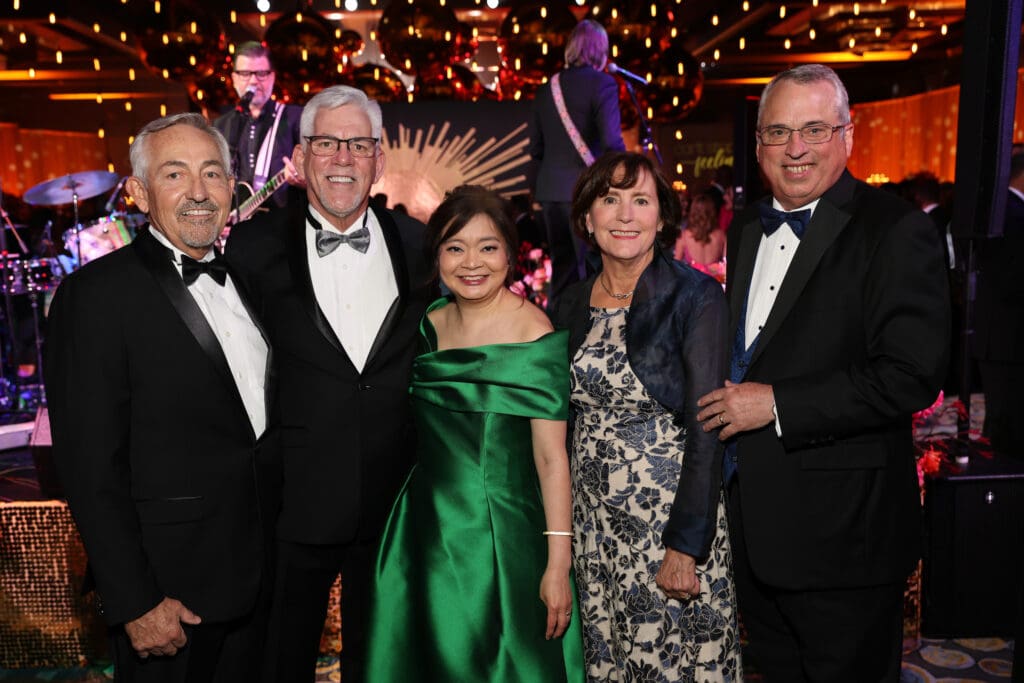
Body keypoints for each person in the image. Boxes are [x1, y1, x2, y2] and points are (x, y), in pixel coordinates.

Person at [696, 64, 949, 681]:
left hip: (846, 538)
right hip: (759, 529)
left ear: (847, 136)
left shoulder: (896, 229)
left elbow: (910, 375)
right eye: (778, 132)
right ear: (759, 144)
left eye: (814, 129)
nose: (796, 148)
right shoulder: (747, 226)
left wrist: (776, 404)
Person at [43, 112, 277, 681]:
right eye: (175, 174)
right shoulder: (94, 296)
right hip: (169, 597)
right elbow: (90, 466)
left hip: (260, 582)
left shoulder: (249, 282)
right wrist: (135, 601)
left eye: (212, 173)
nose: (199, 192)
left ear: (232, 187)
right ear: (139, 193)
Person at [224, 84, 435, 683]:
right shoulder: (252, 247)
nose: (343, 157)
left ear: (379, 160)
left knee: (384, 668)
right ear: (300, 157)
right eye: (326, 143)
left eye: (359, 144)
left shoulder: (420, 245)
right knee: (279, 664)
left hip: (392, 510)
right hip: (291, 510)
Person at [364, 185, 585, 682]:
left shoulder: (534, 333)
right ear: (437, 255)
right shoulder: (430, 323)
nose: (471, 263)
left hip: (500, 535)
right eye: (455, 247)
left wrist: (558, 563)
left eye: (487, 247)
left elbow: (552, 459)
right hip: (422, 527)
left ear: (510, 253)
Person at [548, 152, 741, 681]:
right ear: (588, 218)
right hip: (592, 527)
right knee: (606, 661)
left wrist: (686, 545)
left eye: (641, 200)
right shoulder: (569, 303)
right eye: (610, 200)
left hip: (666, 525)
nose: (626, 215)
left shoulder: (696, 297)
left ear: (661, 217)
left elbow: (708, 431)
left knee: (666, 666)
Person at [529, 19, 625, 305]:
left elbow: (535, 149)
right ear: (601, 50)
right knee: (594, 269)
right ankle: (593, 329)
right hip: (585, 192)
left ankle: (558, 328)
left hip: (550, 193)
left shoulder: (546, 89)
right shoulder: (603, 83)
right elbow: (611, 142)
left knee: (562, 270)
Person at [972, 152, 1024, 458]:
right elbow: (1010, 277)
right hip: (1007, 335)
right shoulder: (1012, 214)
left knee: (1003, 417)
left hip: (1000, 334)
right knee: (1007, 421)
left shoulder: (1003, 209)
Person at [214, 41, 303, 217]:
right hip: (236, 225)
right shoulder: (221, 125)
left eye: (261, 73)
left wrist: (302, 180)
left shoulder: (295, 118)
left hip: (283, 222)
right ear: (234, 78)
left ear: (272, 77)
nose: (254, 81)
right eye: (245, 74)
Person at [674, 191, 725, 267]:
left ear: (693, 211)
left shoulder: (684, 236)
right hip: (714, 275)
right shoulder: (721, 235)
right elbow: (726, 265)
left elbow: (675, 267)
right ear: (712, 211)